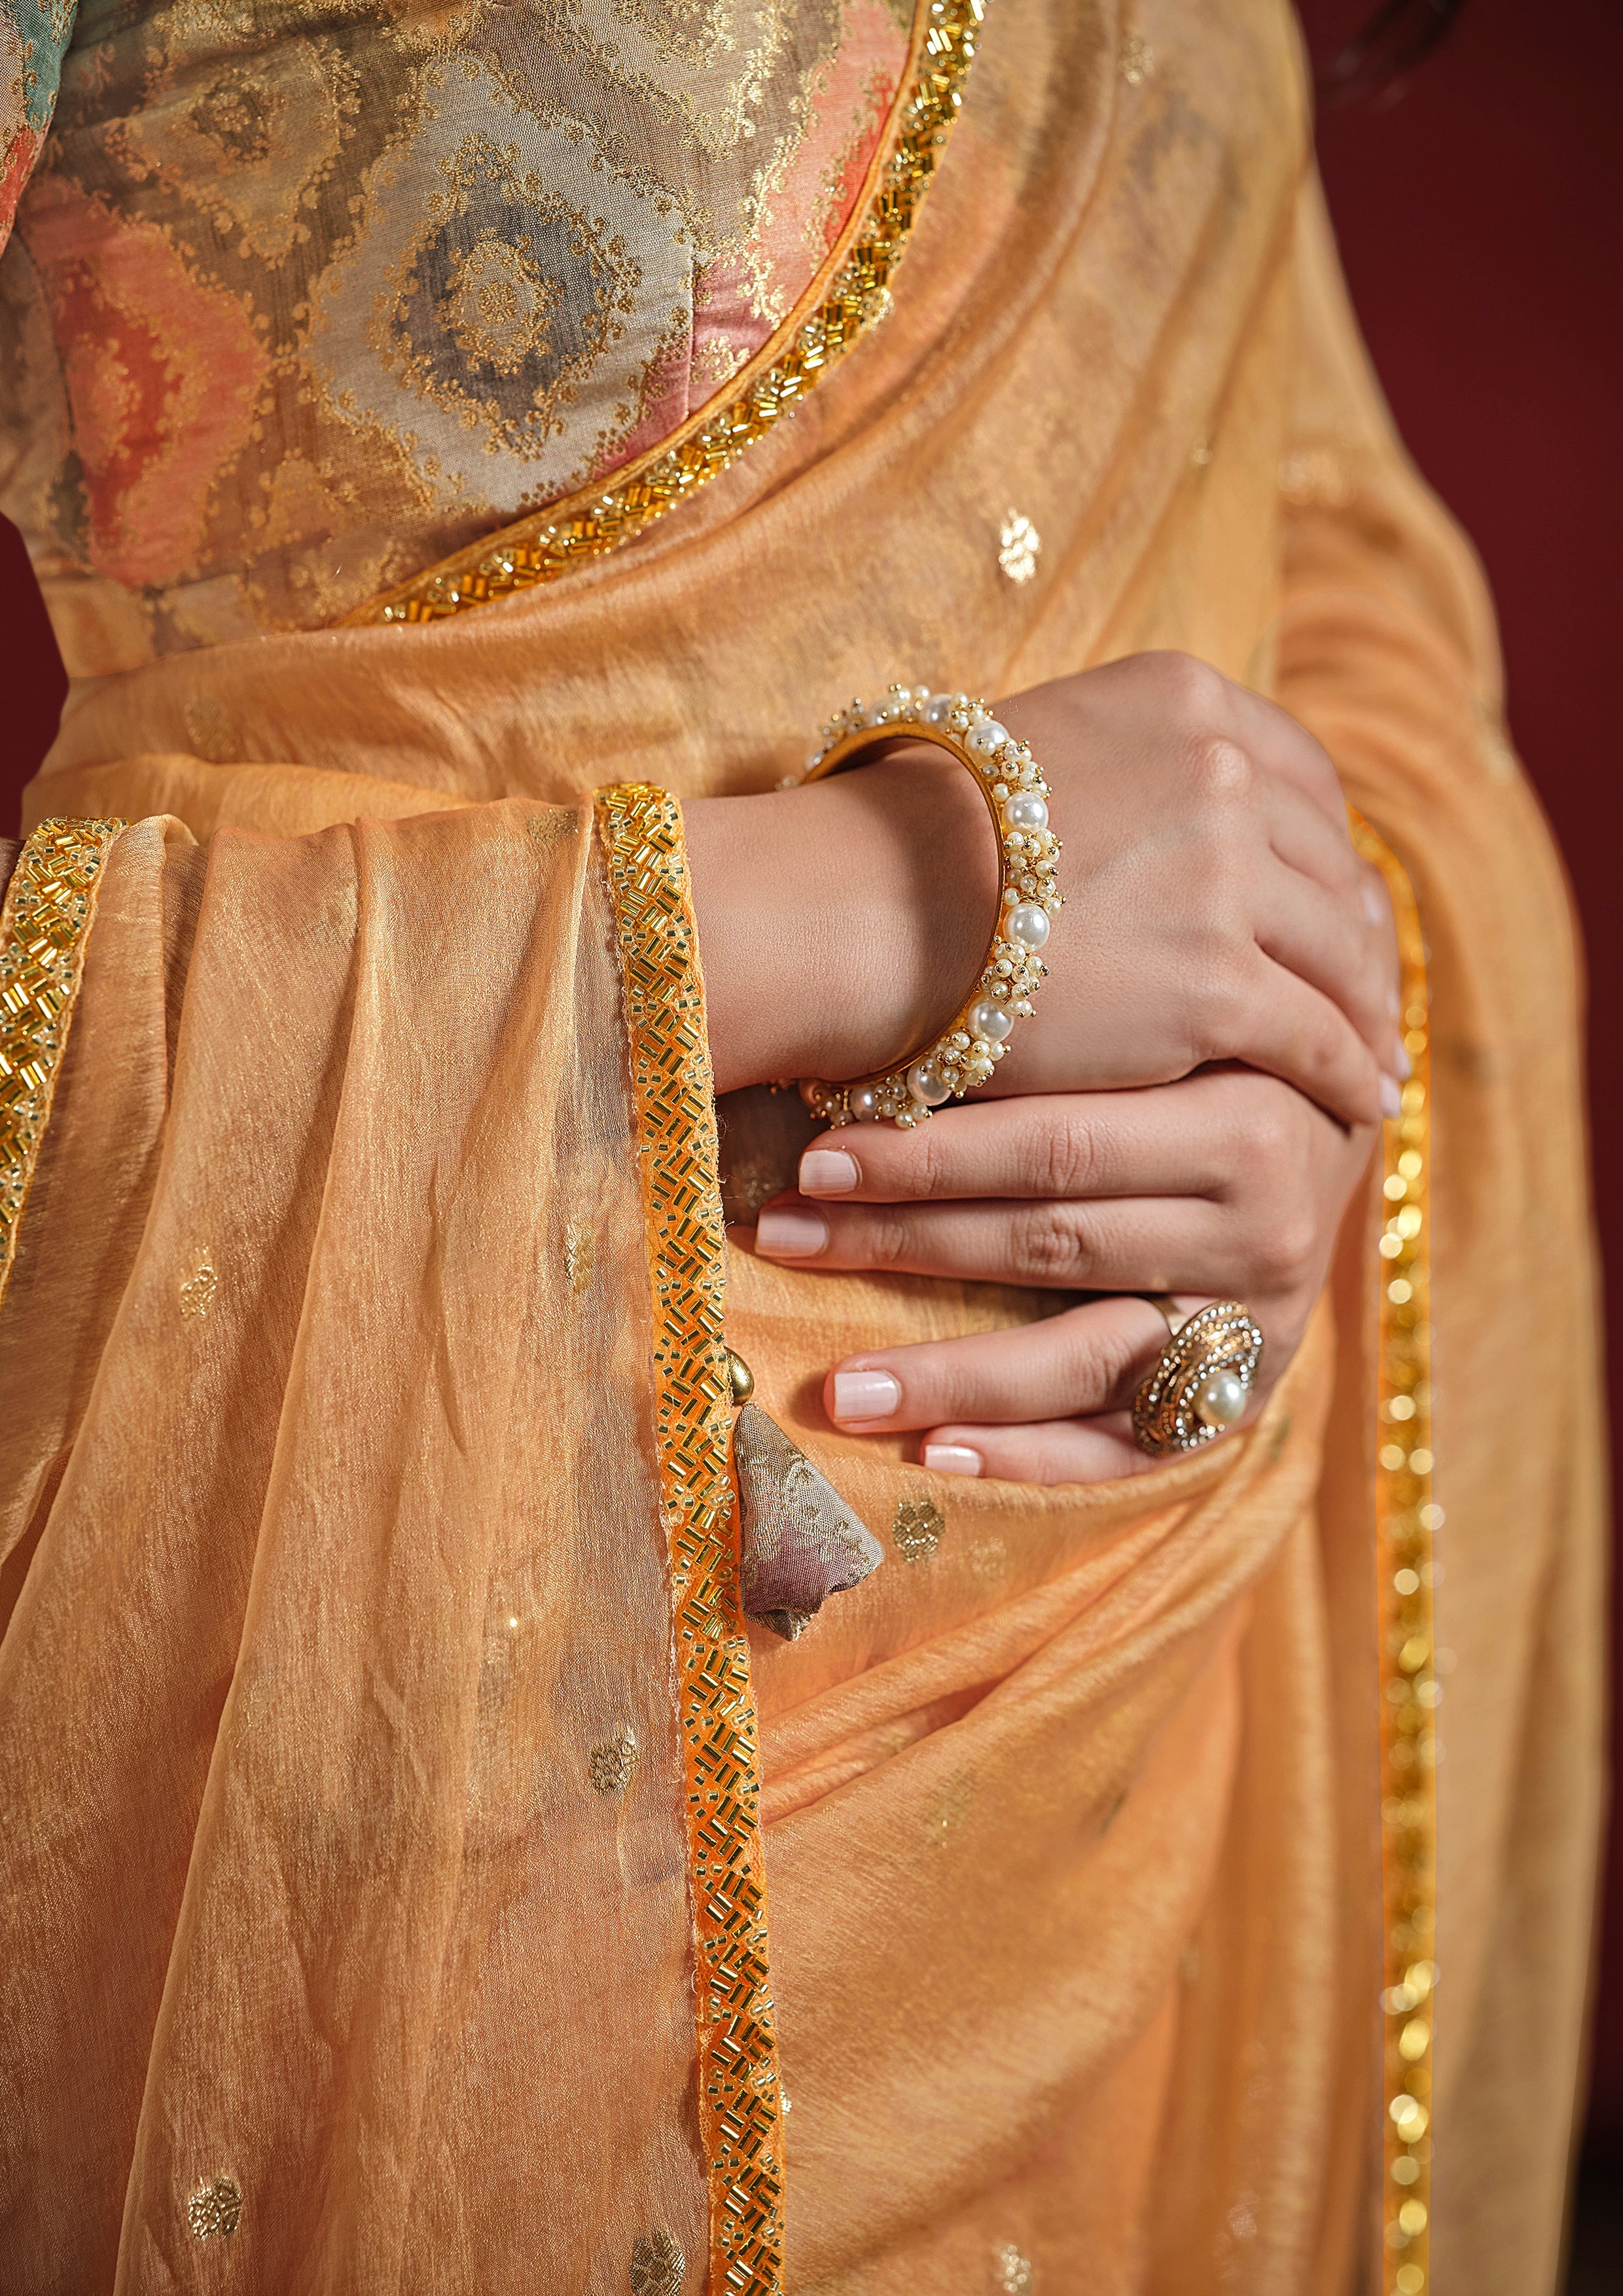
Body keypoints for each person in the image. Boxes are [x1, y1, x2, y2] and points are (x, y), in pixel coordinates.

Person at [0, 1, 1601, 2291]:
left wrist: (1314, 1036)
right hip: (417, 1816)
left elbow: (1332, 585)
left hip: (1130, 1781)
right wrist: (877, 911)